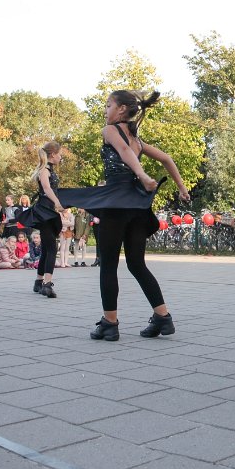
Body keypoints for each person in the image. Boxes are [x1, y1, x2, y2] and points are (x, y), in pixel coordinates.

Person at [58, 90, 191, 341]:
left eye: (108, 105)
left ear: (120, 110)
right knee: (136, 264)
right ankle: (162, 316)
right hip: (137, 207)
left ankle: (110, 322)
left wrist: (142, 175)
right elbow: (167, 158)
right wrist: (182, 188)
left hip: (117, 202)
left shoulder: (110, 131)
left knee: (108, 264)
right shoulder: (138, 141)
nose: (105, 110)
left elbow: (124, 152)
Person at [16, 142, 65, 297]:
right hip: (45, 211)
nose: (61, 156)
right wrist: (57, 203)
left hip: (49, 211)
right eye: (59, 154)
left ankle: (39, 282)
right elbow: (47, 189)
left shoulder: (50, 170)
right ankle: (47, 284)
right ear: (52, 155)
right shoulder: (44, 170)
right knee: (52, 248)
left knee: (47, 247)